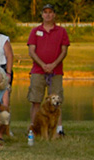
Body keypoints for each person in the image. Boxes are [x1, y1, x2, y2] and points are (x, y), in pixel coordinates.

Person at [28, 4, 69, 136]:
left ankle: (58, 129)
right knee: (36, 100)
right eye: (45, 12)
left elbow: (64, 51)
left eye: (50, 12)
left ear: (54, 14)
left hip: (56, 71)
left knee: (56, 101)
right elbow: (31, 50)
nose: (48, 15)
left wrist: (53, 64)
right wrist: (43, 65)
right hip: (38, 71)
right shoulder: (35, 31)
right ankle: (34, 129)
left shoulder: (61, 31)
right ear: (42, 14)